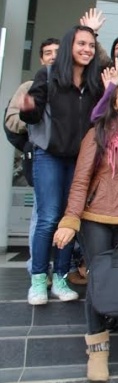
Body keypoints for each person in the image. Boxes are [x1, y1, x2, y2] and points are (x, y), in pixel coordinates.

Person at [53, 80, 118, 381]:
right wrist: (70, 220)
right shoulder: (97, 133)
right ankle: (97, 352)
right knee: (99, 283)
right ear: (113, 103)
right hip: (95, 218)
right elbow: (81, 180)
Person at [20, 25, 104, 306]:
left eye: (91, 45)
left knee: (71, 219)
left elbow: (101, 113)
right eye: (81, 44)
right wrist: (28, 106)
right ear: (70, 46)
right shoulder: (48, 74)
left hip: (80, 160)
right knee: (48, 218)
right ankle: (38, 279)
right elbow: (31, 118)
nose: (86, 50)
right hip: (50, 155)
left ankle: (60, 277)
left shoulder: (94, 82)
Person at [5, 38, 60, 274]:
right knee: (43, 215)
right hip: (42, 157)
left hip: (68, 159)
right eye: (48, 53)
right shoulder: (29, 86)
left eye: (58, 52)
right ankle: (36, 269)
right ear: (41, 59)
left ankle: (62, 269)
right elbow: (11, 121)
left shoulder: (70, 86)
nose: (53, 57)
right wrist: (36, 122)